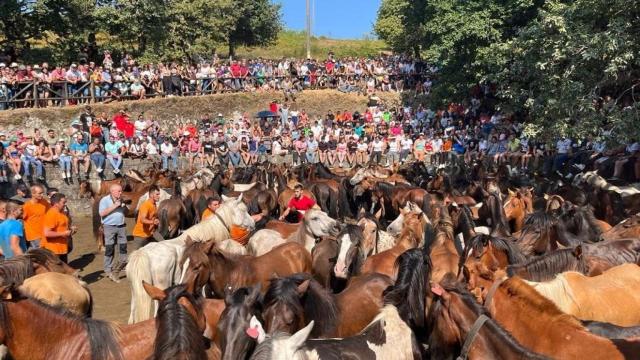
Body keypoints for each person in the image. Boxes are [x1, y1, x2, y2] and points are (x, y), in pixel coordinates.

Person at [98, 184, 128, 282]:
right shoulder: (105, 200)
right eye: (119, 191)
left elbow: (126, 212)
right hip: (109, 227)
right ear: (112, 191)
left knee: (123, 247)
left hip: (121, 226)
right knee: (110, 248)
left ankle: (122, 265)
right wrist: (115, 205)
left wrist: (124, 207)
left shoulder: (121, 199)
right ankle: (108, 269)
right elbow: (102, 213)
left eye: (121, 191)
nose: (121, 193)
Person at [43, 193, 76, 263]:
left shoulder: (62, 212)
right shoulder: (51, 214)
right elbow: (47, 233)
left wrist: (71, 230)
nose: (65, 204)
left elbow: (62, 228)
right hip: (53, 250)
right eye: (63, 202)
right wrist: (63, 233)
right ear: (56, 203)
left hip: (62, 247)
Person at [131, 186, 161, 250]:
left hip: (151, 233)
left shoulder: (154, 204)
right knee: (135, 256)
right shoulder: (146, 205)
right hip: (140, 235)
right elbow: (142, 220)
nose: (159, 196)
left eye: (159, 194)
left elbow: (153, 217)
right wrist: (153, 222)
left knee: (163, 244)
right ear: (151, 195)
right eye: (157, 194)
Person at [22, 184, 50, 249]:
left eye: (43, 193)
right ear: (33, 194)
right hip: (34, 236)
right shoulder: (27, 206)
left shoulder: (44, 202)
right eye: (40, 193)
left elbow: (50, 212)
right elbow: (21, 218)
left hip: (44, 233)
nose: (42, 195)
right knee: (40, 256)